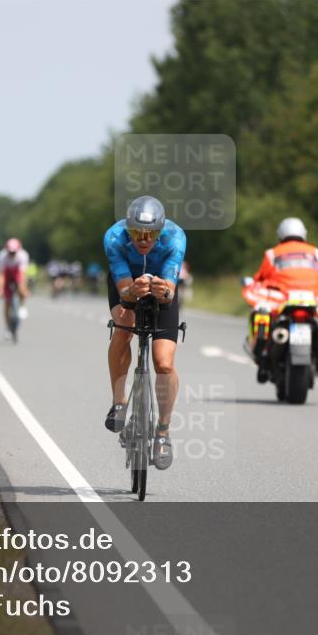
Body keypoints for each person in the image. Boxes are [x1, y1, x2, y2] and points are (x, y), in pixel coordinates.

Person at [103, 195, 186, 471]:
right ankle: (119, 402)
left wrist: (164, 292)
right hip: (127, 284)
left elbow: (170, 290)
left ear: (161, 231)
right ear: (127, 228)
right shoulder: (114, 237)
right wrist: (131, 292)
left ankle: (163, 432)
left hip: (161, 284)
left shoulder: (175, 237)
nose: (142, 238)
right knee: (124, 327)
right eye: (136, 232)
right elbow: (124, 287)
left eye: (150, 233)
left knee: (164, 363)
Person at [244, 217, 318, 374]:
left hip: (283, 299)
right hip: (312, 299)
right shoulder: (316, 252)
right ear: (303, 234)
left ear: (280, 235)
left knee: (262, 312)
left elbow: (259, 279)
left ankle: (264, 347)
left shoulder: (272, 254)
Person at [0, 238, 30, 336]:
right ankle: (7, 328)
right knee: (7, 302)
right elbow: (1, 275)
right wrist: (0, 288)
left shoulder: (23, 255)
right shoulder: (2, 256)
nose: (12, 254)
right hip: (7, 274)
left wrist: (24, 289)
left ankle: (22, 305)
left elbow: (23, 274)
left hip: (17, 273)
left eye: (14, 252)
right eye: (10, 252)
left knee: (22, 289)